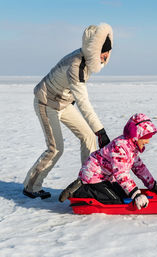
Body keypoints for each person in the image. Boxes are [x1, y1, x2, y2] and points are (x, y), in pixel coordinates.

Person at [23, 23, 114, 199]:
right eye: (104, 51)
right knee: (56, 148)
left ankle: (89, 182)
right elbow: (83, 101)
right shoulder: (76, 65)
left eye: (108, 51)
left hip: (63, 103)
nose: (107, 55)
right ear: (94, 51)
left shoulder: (87, 60)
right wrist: (100, 131)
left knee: (88, 136)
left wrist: (95, 133)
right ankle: (31, 186)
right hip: (46, 103)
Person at [59, 113, 157, 209]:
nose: (148, 141)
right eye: (145, 137)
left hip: (107, 177)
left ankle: (93, 189)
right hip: (94, 176)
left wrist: (152, 185)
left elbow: (139, 168)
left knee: (124, 195)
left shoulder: (131, 147)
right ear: (136, 136)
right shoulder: (120, 147)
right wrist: (136, 194)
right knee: (115, 202)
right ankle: (80, 189)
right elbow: (121, 173)